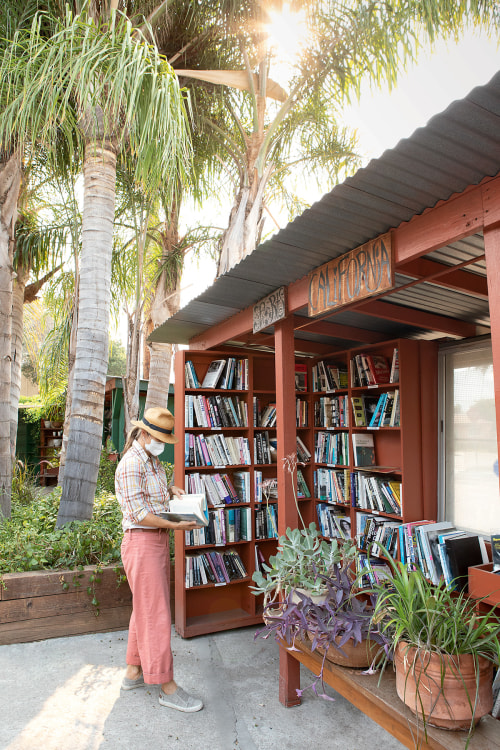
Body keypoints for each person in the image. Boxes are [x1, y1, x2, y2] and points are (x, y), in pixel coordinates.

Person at [115, 406, 203, 712]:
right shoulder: (130, 464)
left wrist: (171, 491)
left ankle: (133, 672)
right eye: (159, 437)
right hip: (141, 543)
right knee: (157, 614)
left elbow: (151, 496)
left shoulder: (150, 461)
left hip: (154, 542)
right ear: (144, 433)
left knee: (146, 608)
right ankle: (166, 686)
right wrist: (176, 523)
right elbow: (139, 513)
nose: (162, 444)